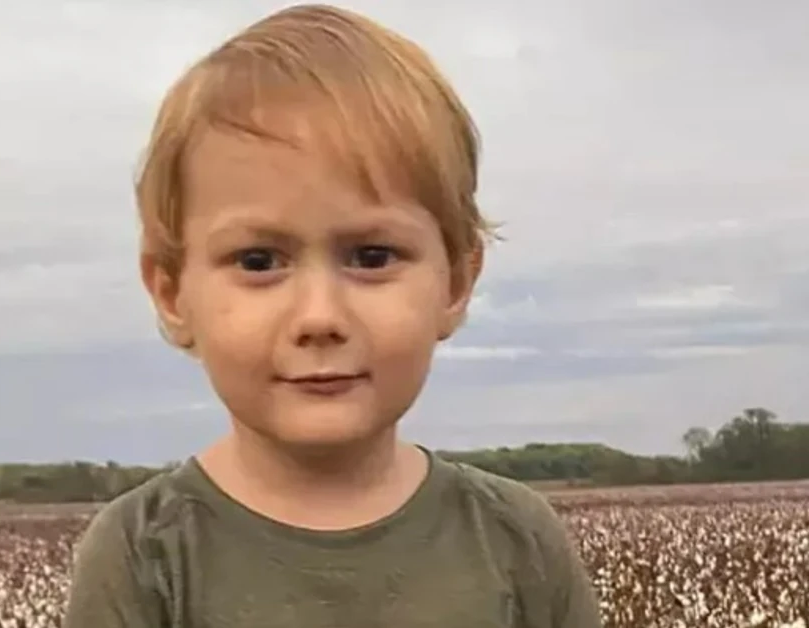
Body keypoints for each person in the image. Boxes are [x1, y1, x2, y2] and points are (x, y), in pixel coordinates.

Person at [62, 4, 602, 627]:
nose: (319, 317)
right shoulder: (143, 555)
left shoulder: (518, 542)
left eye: (372, 257)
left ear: (455, 283)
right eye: (259, 261)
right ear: (171, 292)